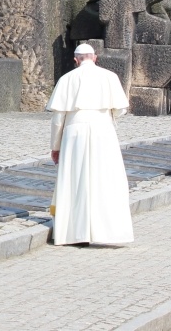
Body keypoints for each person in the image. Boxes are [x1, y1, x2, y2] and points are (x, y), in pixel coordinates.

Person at [46, 43, 134, 247]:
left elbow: (58, 118)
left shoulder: (67, 79)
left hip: (74, 132)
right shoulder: (110, 77)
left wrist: (55, 147)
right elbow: (120, 110)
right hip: (103, 131)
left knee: (75, 179)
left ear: (76, 60)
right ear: (95, 58)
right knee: (105, 178)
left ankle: (74, 233)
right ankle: (109, 232)